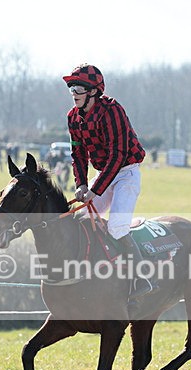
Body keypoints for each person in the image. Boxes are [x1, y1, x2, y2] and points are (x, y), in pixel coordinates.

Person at [63, 63, 151, 301]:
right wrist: (81, 184)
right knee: (81, 219)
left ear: (93, 91)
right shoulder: (73, 118)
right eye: (71, 88)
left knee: (116, 227)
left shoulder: (112, 111)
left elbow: (118, 155)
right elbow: (78, 154)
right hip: (104, 175)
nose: (73, 93)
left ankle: (140, 276)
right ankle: (91, 273)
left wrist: (95, 190)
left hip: (126, 173)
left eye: (78, 88)